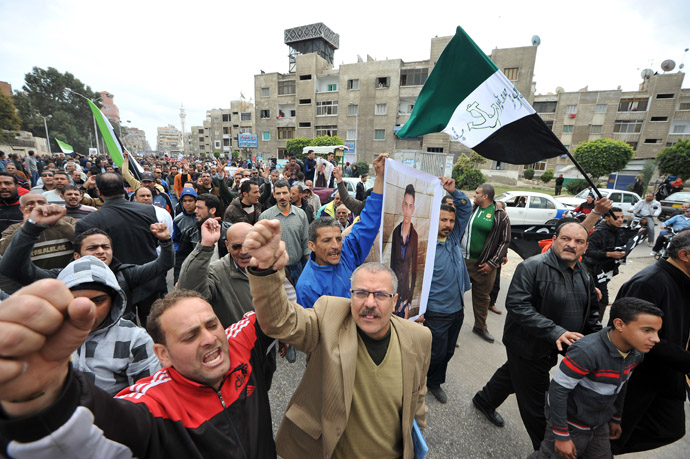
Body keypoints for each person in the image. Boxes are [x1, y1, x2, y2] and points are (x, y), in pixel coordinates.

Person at [0, 281, 277, 458]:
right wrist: (45, 395)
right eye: (190, 336)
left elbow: (271, 314)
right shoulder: (152, 405)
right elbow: (90, 432)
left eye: (212, 324)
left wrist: (265, 270)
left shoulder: (237, 342)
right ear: (163, 354)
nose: (209, 339)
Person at [243, 219, 431, 459]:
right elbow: (279, 321)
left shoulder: (418, 337)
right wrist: (266, 271)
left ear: (394, 301)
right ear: (350, 295)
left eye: (380, 295)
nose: (369, 303)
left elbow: (418, 398)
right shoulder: (329, 317)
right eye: (361, 293)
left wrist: (417, 439)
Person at [473, 222, 601, 451]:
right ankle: (548, 450)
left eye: (578, 241)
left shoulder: (584, 274)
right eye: (566, 239)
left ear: (585, 247)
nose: (571, 245)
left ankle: (485, 400)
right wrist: (556, 332)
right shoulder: (532, 267)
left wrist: (596, 343)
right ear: (555, 239)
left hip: (558, 346)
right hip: (527, 345)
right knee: (540, 404)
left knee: (512, 374)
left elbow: (590, 312)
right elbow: (517, 305)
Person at [530, 298, 662, 459]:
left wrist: (615, 417)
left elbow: (622, 385)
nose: (656, 339)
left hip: (599, 424)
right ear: (619, 324)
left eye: (657, 331)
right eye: (647, 330)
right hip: (570, 424)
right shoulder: (587, 352)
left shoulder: (636, 353)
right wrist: (561, 435)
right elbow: (557, 391)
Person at [0, 204, 173, 317]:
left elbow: (163, 264)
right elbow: (11, 268)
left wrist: (165, 241)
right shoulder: (60, 279)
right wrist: (31, 227)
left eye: (105, 247)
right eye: (92, 248)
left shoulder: (124, 274)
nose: (100, 251)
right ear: (77, 256)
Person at [611, 229, 690, 454]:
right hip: (640, 378)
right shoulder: (649, 283)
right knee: (615, 435)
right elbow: (633, 334)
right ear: (685, 255)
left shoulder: (683, 280)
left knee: (670, 429)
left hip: (670, 375)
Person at [57, 255, 161, 395]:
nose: (87, 309)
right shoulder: (47, 336)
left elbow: (148, 398)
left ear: (114, 301)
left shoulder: (134, 340)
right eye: (76, 301)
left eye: (98, 301)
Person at [296, 154, 386, 309]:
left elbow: (369, 221)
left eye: (338, 239)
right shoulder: (307, 287)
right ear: (312, 245)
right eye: (326, 240)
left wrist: (380, 177)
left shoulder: (346, 252)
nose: (336, 246)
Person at [75, 173, 164, 323]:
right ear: (123, 189)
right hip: (139, 280)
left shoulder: (88, 222)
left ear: (99, 192)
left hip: (117, 284)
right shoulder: (147, 211)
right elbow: (156, 242)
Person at [423, 177, 472, 404]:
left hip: (457, 309)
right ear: (434, 221)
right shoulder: (425, 246)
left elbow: (466, 209)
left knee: (449, 351)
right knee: (435, 352)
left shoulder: (453, 238)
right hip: (436, 311)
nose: (448, 224)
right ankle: (424, 382)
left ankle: (434, 380)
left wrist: (454, 192)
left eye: (451, 221)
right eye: (443, 220)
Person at [462, 183, 511, 343]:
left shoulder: (500, 215)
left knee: (483, 298)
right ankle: (450, 327)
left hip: (484, 265)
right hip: (463, 260)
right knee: (454, 294)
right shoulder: (471, 210)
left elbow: (505, 241)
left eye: (476, 193)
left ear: (485, 196)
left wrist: (492, 262)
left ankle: (480, 327)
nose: (473, 195)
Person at [258, 180, 309, 284]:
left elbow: (306, 242)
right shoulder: (265, 217)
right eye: (278, 193)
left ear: (290, 193)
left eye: (285, 193)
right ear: (274, 195)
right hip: (275, 269)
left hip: (297, 269)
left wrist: (309, 268)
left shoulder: (301, 215)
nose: (282, 197)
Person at [175, 193, 230, 283]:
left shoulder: (228, 231)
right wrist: (177, 280)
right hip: (198, 281)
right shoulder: (190, 233)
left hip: (224, 281)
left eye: (199, 208)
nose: (195, 211)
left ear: (212, 210)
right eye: (196, 207)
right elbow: (181, 259)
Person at [583, 207, 627, 318]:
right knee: (601, 300)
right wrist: (609, 254)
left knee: (598, 300)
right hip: (592, 271)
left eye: (622, 217)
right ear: (607, 218)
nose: (620, 220)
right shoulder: (599, 232)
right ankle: (594, 326)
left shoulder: (618, 231)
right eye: (617, 217)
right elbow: (587, 251)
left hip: (606, 271)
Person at [390, 184, 419, 318]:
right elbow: (392, 264)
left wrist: (409, 298)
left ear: (413, 209)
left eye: (410, 206)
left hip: (406, 293)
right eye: (406, 205)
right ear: (402, 206)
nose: (407, 210)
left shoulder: (415, 236)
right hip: (394, 291)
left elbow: (414, 270)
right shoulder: (396, 232)